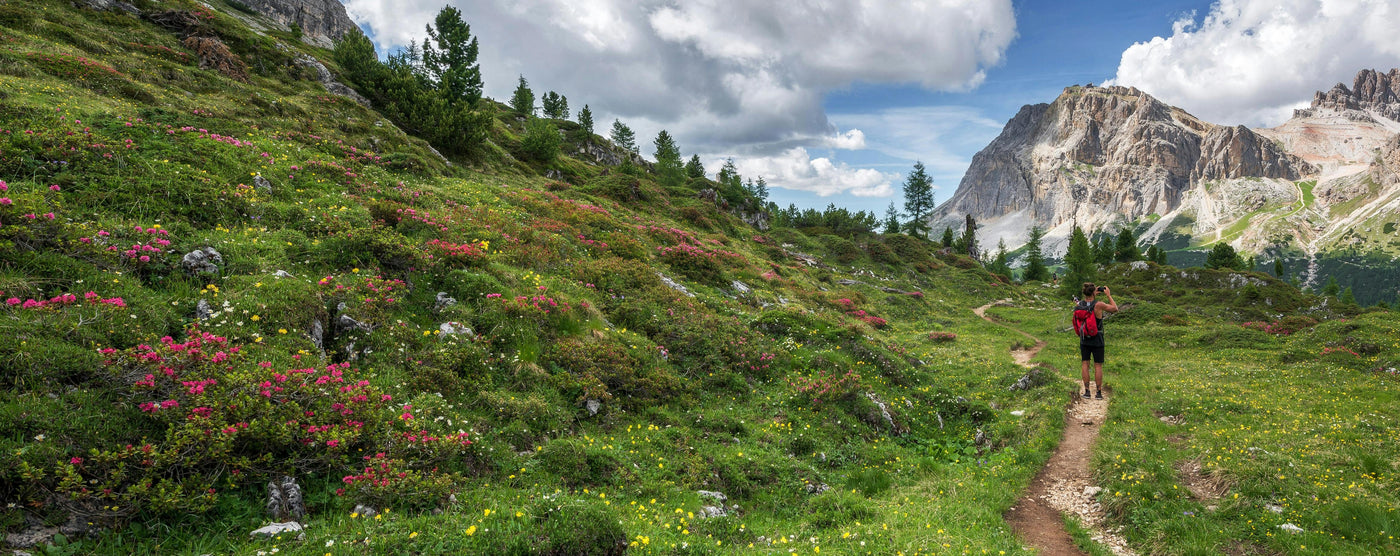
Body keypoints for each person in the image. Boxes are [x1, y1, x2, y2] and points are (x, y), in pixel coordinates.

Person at [1076, 282, 1117, 399]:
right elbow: (1115, 309)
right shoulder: (1098, 305)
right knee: (1098, 365)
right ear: (1094, 292)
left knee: (1085, 363)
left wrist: (1093, 292)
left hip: (1084, 338)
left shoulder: (1080, 304)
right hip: (1097, 338)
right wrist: (1108, 295)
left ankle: (1087, 392)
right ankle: (1098, 393)